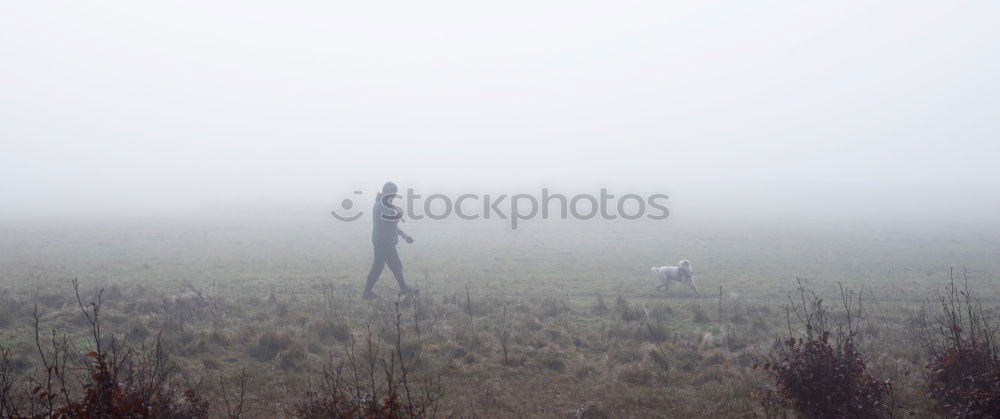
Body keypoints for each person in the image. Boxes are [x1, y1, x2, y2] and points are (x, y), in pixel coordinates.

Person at [363, 181, 418, 299]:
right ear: (390, 193)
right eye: (394, 194)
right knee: (393, 266)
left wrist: (404, 235)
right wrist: (396, 218)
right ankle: (368, 292)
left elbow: (390, 225)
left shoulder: (381, 203)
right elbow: (386, 223)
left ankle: (403, 289)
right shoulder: (384, 205)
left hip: (382, 240)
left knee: (384, 266)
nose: (394, 196)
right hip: (384, 242)